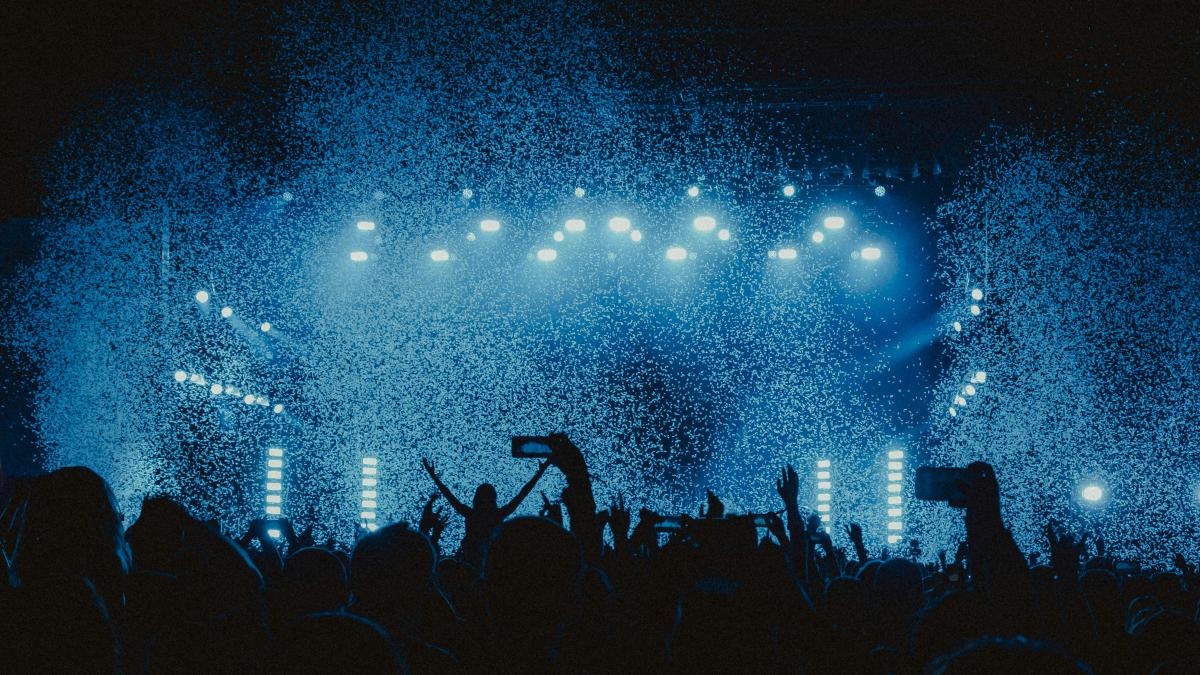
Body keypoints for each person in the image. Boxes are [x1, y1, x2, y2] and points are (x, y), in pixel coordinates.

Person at [420, 457, 549, 568]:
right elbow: (522, 494)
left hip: (470, 559)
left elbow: (448, 494)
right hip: (494, 561)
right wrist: (540, 472)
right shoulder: (498, 514)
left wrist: (433, 476)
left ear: (476, 498)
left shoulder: (470, 514)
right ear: (494, 498)